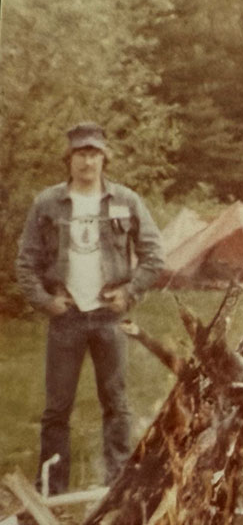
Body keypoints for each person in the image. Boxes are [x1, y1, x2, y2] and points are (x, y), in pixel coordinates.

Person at [15, 122, 164, 495]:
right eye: (80, 154)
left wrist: (129, 293)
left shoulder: (126, 201)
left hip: (109, 317)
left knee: (116, 404)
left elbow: (154, 256)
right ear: (68, 159)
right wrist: (47, 302)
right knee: (56, 410)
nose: (87, 161)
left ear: (104, 158)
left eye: (94, 153)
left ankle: (117, 487)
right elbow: (26, 262)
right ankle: (52, 491)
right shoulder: (47, 202)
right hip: (66, 318)